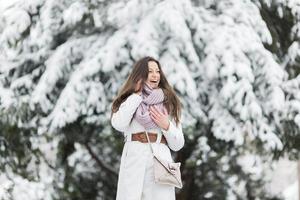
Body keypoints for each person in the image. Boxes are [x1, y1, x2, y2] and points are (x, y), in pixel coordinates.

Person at [111, 56, 185, 200]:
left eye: (157, 71)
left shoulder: (169, 102)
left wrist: (167, 126)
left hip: (160, 161)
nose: (155, 75)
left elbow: (178, 144)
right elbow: (118, 124)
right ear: (140, 75)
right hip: (134, 157)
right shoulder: (130, 99)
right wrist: (137, 95)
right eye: (150, 71)